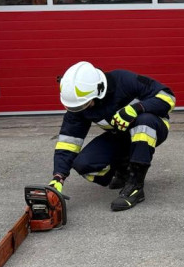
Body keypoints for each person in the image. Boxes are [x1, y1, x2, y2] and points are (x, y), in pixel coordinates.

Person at [49, 61, 176, 211]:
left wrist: (137, 108)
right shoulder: (80, 104)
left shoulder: (123, 80)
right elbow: (68, 142)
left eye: (84, 104)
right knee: (84, 164)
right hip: (121, 135)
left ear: (99, 90)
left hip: (153, 127)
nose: (80, 109)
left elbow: (168, 97)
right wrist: (58, 177)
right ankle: (124, 171)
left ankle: (135, 185)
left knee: (144, 122)